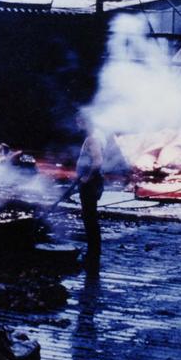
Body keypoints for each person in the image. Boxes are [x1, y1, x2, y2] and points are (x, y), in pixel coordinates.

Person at [76, 112, 105, 266]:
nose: (77, 126)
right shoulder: (94, 137)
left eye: (79, 122)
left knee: (90, 219)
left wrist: (87, 178)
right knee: (90, 218)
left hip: (91, 185)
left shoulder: (93, 139)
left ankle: (93, 254)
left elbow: (98, 161)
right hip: (91, 184)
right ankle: (93, 252)